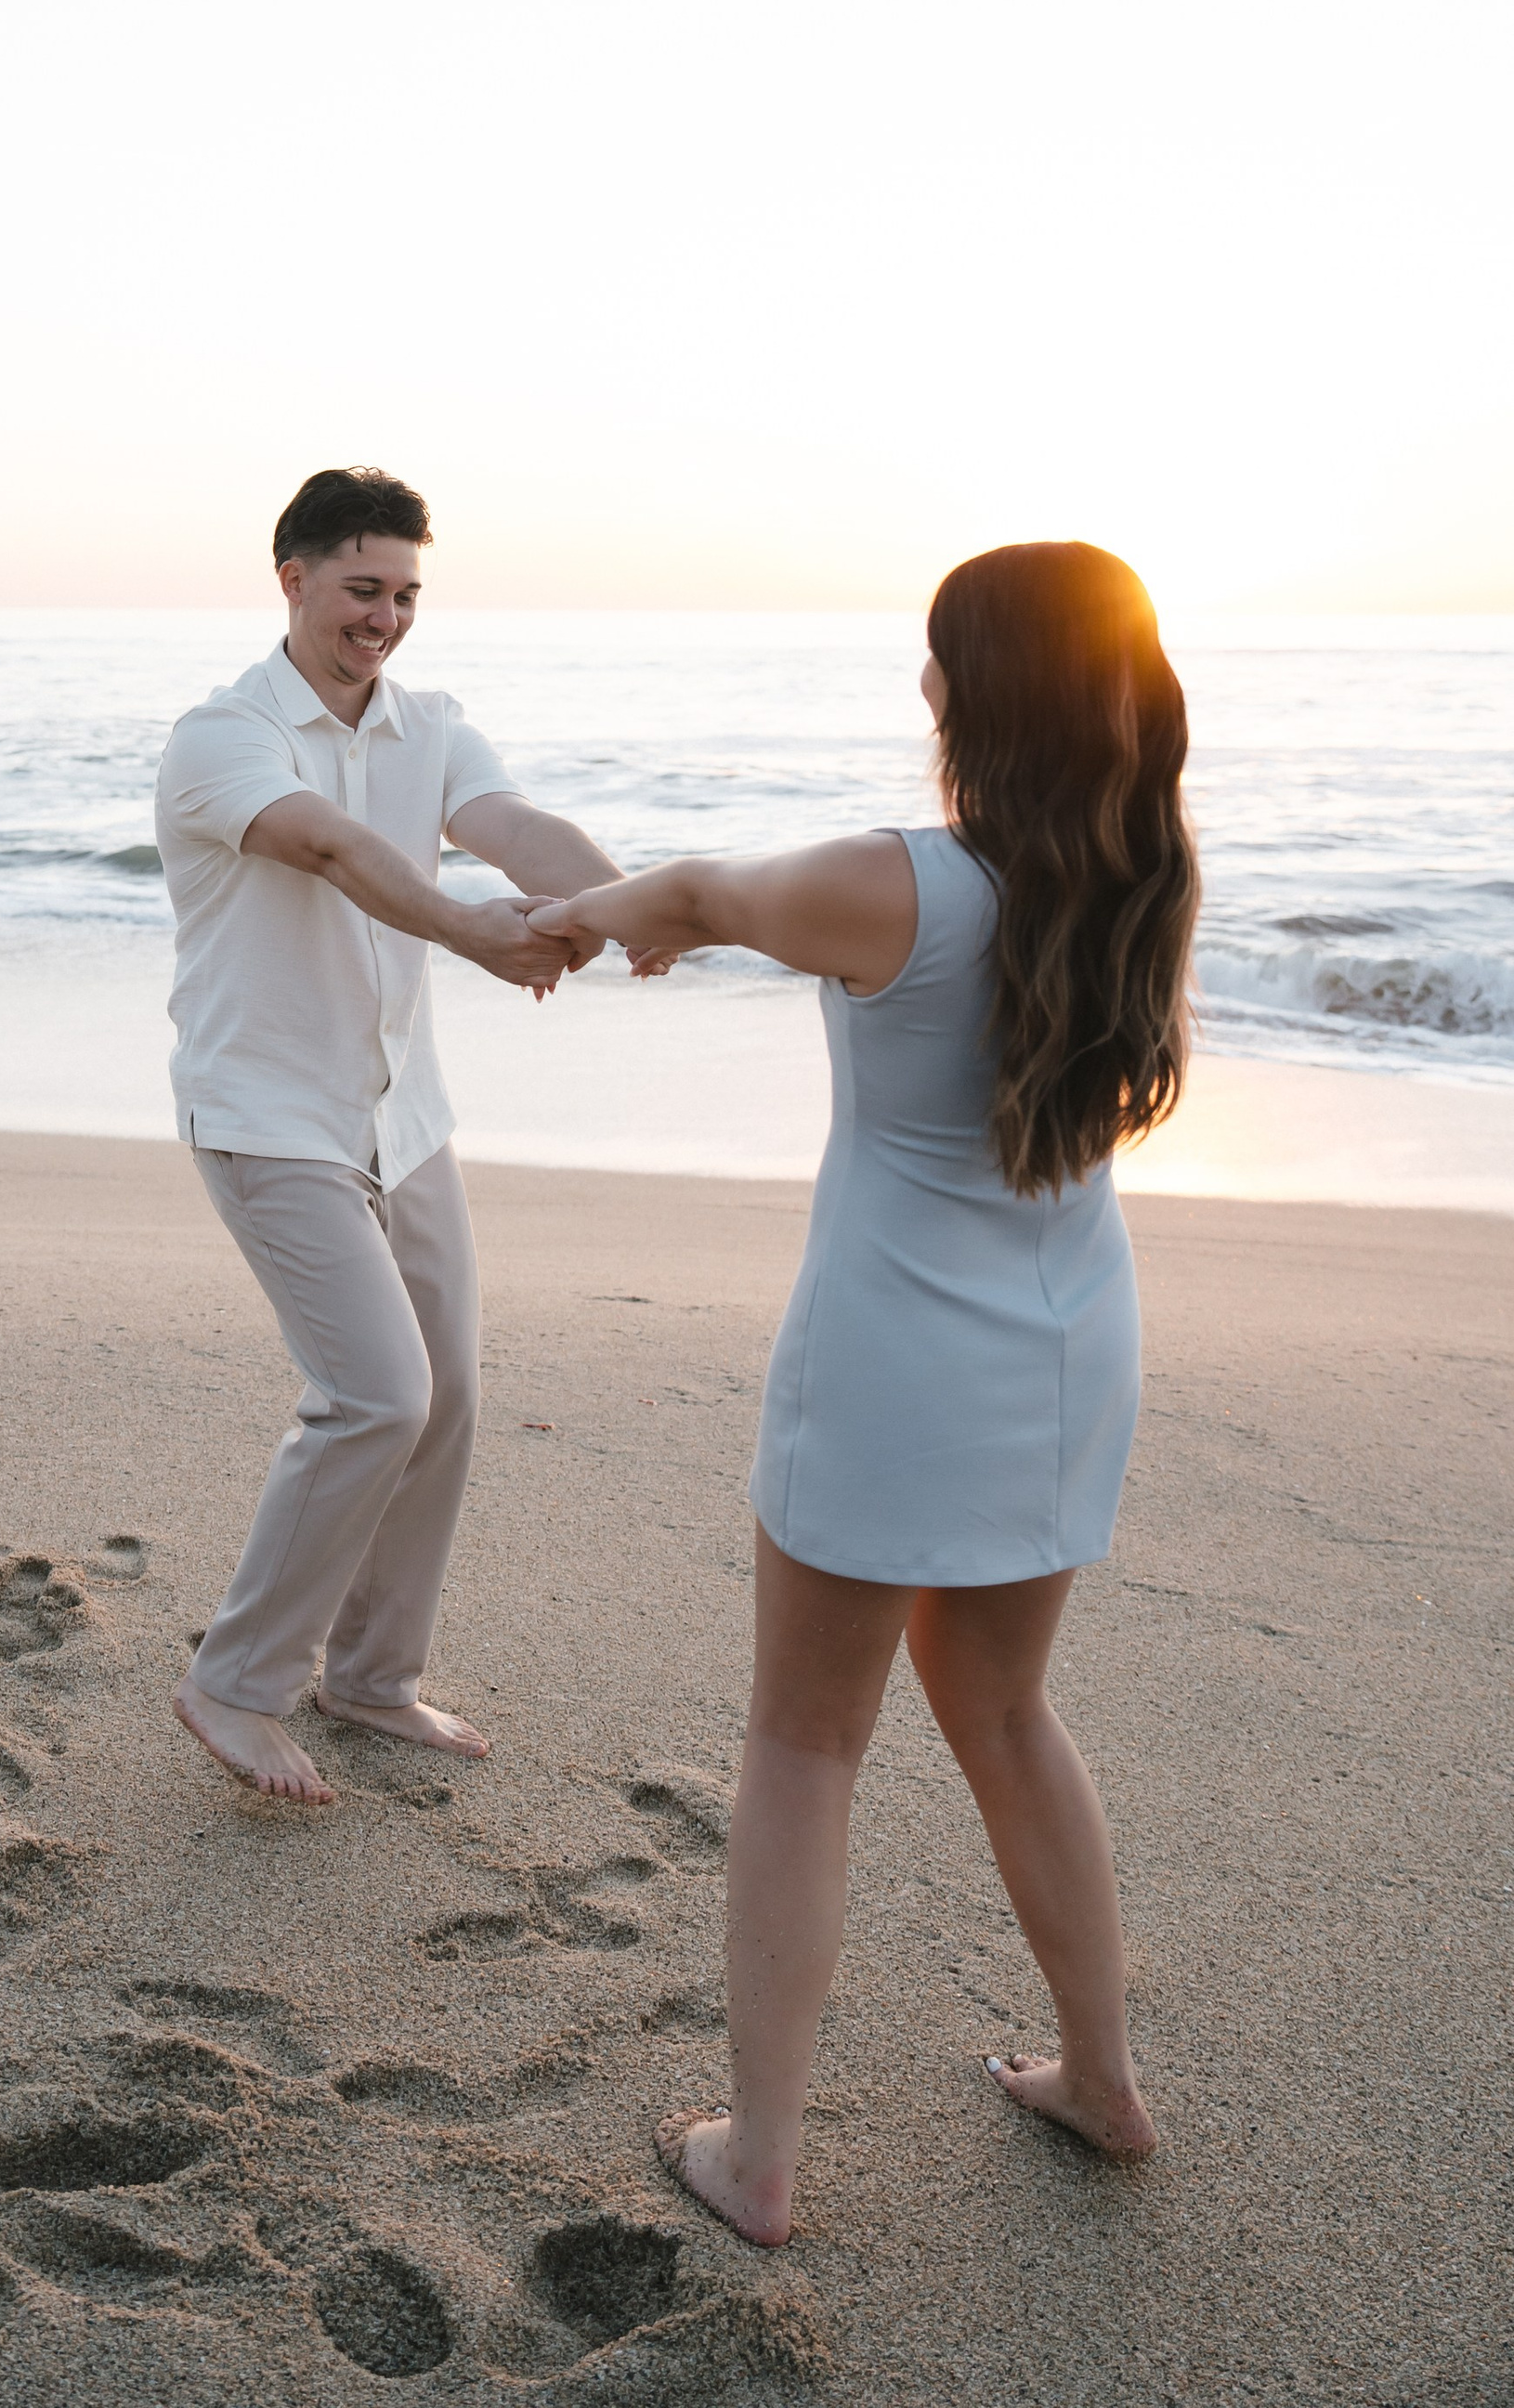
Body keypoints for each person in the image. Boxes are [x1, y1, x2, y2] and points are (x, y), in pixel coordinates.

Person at [527, 541, 1197, 2241]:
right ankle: (1102, 2082)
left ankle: (757, 2156)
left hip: (895, 1356)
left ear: (970, 689)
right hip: (1068, 1346)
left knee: (803, 1741)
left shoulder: (895, 885)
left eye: (936, 659)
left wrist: (578, 917)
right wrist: (647, 909)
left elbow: (692, 891)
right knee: (1006, 1709)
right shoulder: (1144, 871)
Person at [155, 465, 624, 1808]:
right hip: (268, 1116)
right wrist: (476, 929)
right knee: (378, 1396)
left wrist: (637, 904)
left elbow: (514, 826)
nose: (386, 619)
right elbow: (335, 851)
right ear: (292, 577)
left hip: (401, 1120)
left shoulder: (432, 723)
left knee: (453, 1399)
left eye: (408, 594)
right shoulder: (222, 736)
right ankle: (234, 1683)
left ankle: (371, 1677)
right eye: (364, 589)